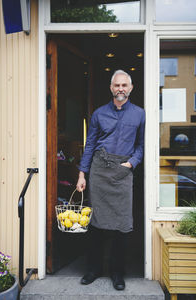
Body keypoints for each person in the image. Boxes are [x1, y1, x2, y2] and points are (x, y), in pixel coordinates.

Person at [76, 69, 145, 290]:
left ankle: (117, 273)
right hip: (99, 171)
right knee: (96, 224)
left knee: (121, 226)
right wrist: (81, 174)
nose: (120, 89)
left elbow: (142, 145)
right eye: (117, 85)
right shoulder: (98, 114)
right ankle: (94, 269)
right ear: (111, 88)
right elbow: (90, 145)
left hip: (123, 172)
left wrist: (131, 163)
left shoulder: (140, 114)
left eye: (124, 85)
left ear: (131, 88)